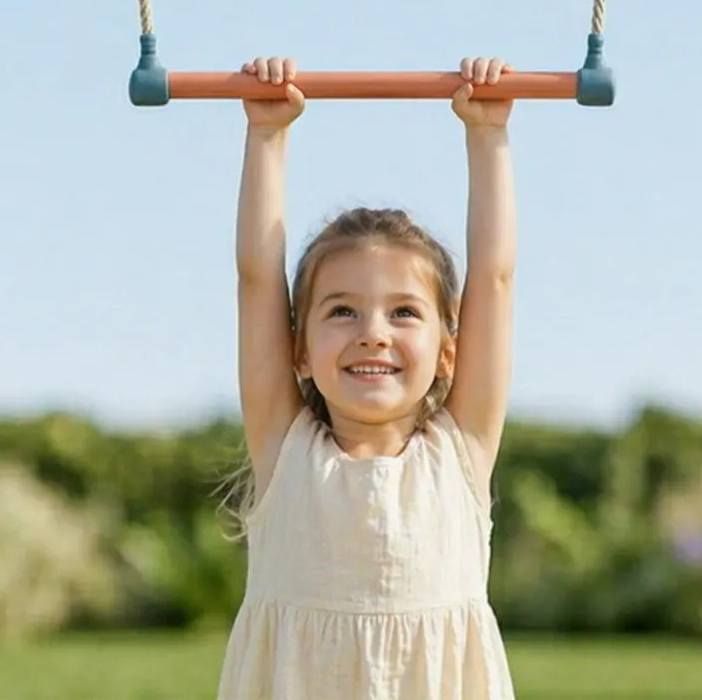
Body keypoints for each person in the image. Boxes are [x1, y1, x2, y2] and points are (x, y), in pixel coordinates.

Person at [216, 55, 518, 699]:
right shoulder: (285, 449)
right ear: (297, 349)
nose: (372, 332)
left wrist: (487, 136)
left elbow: (493, 279)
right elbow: (257, 279)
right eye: (342, 311)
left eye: (404, 312)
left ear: (447, 352)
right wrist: (267, 136)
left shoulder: (460, 454)